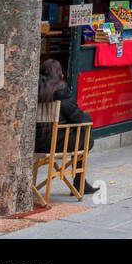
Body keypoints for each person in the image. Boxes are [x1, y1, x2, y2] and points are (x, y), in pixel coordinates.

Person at [36, 59, 98, 194]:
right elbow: (78, 118)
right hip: (56, 143)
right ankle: (79, 182)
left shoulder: (31, 91)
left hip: (34, 143)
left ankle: (80, 182)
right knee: (86, 125)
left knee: (82, 132)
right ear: (60, 74)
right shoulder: (61, 92)